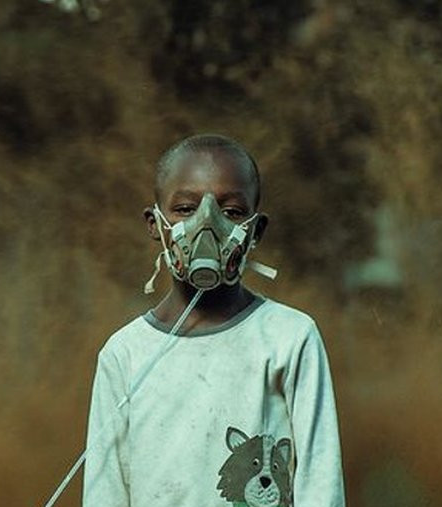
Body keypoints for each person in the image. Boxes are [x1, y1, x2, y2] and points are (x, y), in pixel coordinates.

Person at [83, 134, 345, 506]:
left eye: (232, 212)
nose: (207, 223)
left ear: (255, 230)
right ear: (155, 224)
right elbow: (104, 491)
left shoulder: (290, 338)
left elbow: (321, 481)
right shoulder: (125, 354)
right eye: (185, 208)